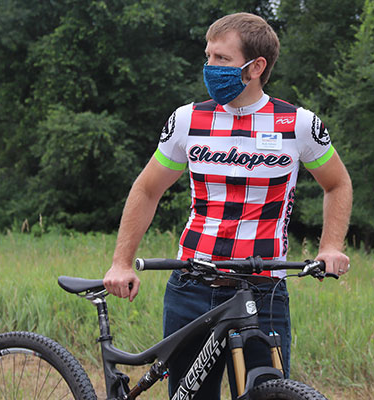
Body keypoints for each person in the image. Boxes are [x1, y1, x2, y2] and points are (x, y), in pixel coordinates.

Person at [103, 12, 352, 400]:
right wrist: (121, 261)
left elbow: (337, 183)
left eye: (222, 59)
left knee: (265, 394)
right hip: (192, 286)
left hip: (263, 289)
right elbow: (147, 189)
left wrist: (330, 246)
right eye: (208, 57)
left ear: (256, 67)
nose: (209, 67)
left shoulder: (298, 124)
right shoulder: (188, 120)